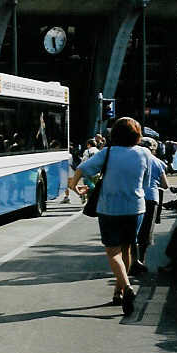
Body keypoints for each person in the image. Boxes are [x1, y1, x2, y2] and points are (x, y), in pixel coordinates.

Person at [69, 117, 150, 315]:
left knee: (113, 252)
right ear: (137, 135)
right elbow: (146, 182)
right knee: (127, 248)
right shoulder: (145, 153)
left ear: (114, 134)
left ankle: (127, 288)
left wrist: (73, 186)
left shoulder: (108, 152)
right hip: (136, 207)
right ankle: (118, 292)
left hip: (109, 209)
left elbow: (82, 169)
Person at [133, 137, 168, 270]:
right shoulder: (158, 162)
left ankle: (131, 259)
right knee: (146, 231)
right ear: (154, 149)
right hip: (151, 199)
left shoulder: (134, 159)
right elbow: (165, 185)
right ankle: (141, 259)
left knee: (134, 230)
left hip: (135, 197)